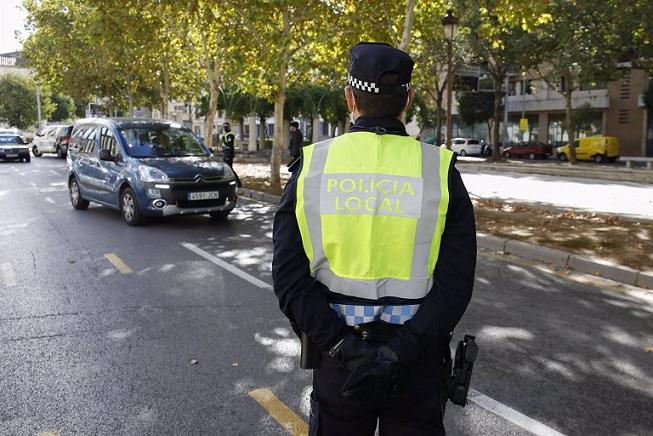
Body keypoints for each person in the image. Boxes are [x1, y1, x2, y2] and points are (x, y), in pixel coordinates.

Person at [272, 42, 476, 435]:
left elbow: (289, 280)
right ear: (408, 100)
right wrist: (398, 353)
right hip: (417, 365)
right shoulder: (440, 170)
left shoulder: (313, 167)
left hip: (340, 363)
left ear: (350, 98)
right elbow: (455, 284)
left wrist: (343, 348)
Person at [221, 122, 241, 187]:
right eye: (224, 127)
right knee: (227, 169)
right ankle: (231, 182)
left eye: (226, 127)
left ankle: (238, 183)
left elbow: (230, 145)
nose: (225, 128)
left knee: (229, 169)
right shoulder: (225, 135)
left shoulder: (230, 135)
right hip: (226, 153)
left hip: (229, 153)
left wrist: (224, 146)